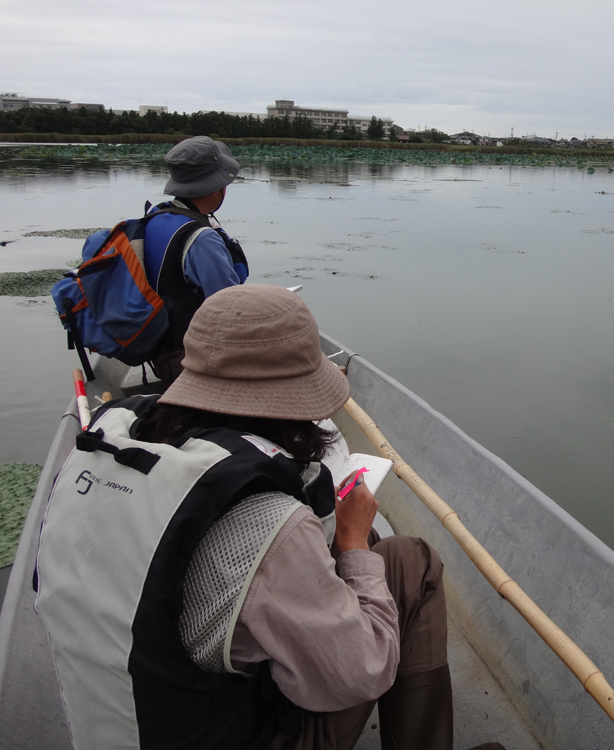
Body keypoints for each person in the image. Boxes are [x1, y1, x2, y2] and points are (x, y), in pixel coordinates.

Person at [35, 284, 503, 750]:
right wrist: (355, 545)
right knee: (409, 560)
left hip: (117, 720)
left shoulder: (99, 447)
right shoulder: (265, 520)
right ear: (297, 400)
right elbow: (363, 671)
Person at [143, 136, 249, 383]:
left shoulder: (158, 216)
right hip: (191, 359)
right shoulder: (201, 239)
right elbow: (229, 312)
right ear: (216, 185)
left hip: (162, 352)